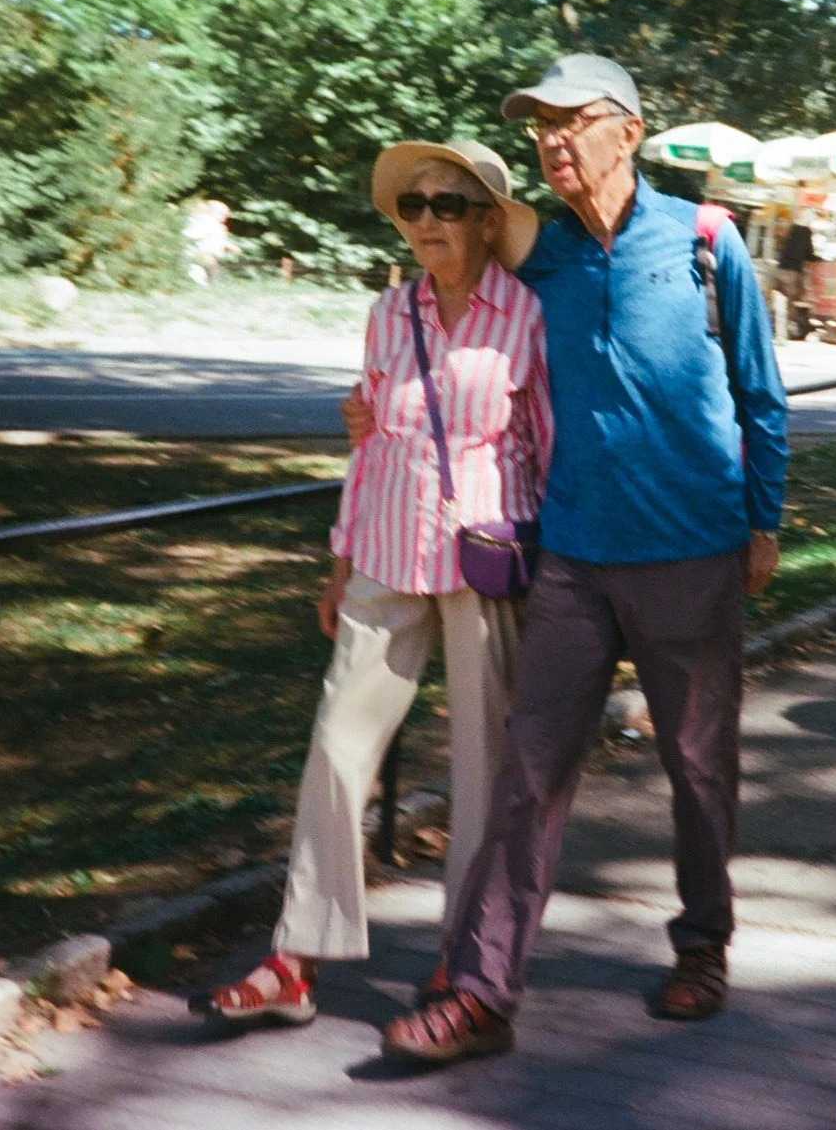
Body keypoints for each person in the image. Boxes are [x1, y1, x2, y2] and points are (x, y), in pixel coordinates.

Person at [381, 53, 789, 1064]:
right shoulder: (540, 258)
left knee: (699, 765)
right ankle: (483, 992)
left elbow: (760, 391)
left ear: (628, 131)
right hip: (571, 556)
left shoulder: (705, 240)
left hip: (693, 547)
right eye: (539, 126)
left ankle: (702, 946)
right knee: (529, 770)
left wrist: (764, 520)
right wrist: (371, 404)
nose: (552, 139)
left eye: (572, 120)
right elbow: (457, 322)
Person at [196, 140, 547, 1025]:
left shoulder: (529, 317)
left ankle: (467, 957)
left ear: (488, 221)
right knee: (335, 746)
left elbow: (550, 448)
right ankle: (296, 957)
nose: (427, 220)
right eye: (414, 205)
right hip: (386, 547)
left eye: (448, 204)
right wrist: (340, 560)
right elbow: (370, 440)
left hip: (483, 558)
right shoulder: (390, 312)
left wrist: (556, 576)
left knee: (483, 764)